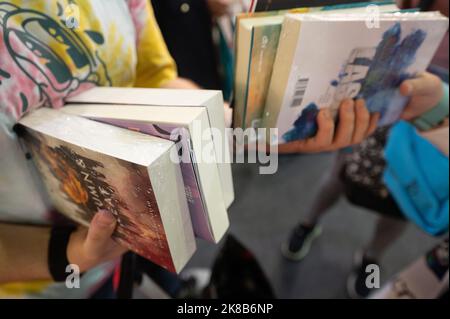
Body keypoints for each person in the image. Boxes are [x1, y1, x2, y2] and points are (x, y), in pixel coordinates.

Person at [0, 0, 376, 298]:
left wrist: (240, 124)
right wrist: (70, 255)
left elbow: (155, 79)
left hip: (134, 233)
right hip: (40, 281)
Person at [282, 71, 449, 298]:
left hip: (426, 135)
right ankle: (307, 224)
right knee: (342, 174)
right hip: (386, 93)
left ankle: (371, 257)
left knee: (403, 200)